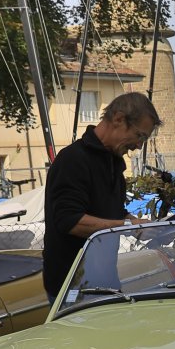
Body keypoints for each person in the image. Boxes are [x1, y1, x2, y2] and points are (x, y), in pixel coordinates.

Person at [42, 92, 160, 299]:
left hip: (105, 283)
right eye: (140, 136)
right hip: (74, 289)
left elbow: (112, 212)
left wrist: (138, 225)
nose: (139, 146)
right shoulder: (73, 159)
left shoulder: (113, 162)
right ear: (118, 119)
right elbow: (70, 221)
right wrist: (128, 225)